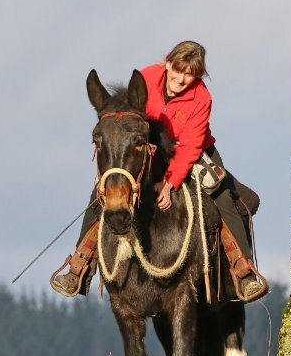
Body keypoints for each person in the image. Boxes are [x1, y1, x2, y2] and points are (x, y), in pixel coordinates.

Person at [51, 41, 266, 301]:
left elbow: (190, 146)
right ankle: (79, 267)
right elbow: (128, 120)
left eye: (190, 74)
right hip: (148, 148)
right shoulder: (146, 78)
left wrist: (170, 182)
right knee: (104, 194)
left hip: (192, 151)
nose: (182, 78)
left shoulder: (202, 98)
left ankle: (243, 272)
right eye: (178, 70)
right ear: (168, 64)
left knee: (221, 195)